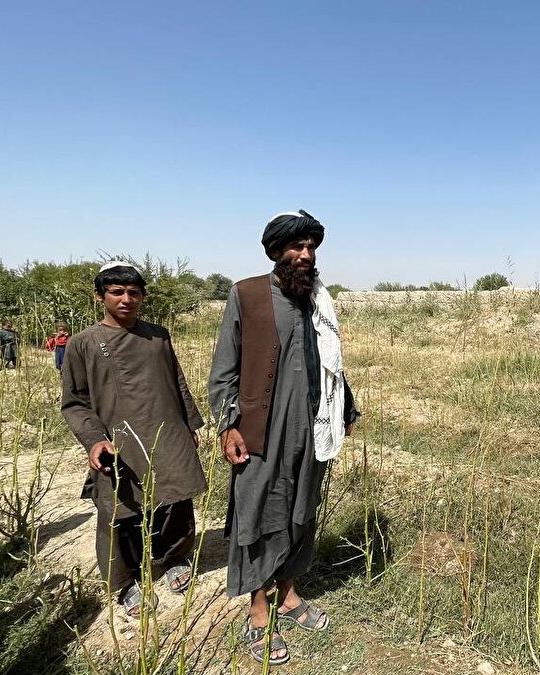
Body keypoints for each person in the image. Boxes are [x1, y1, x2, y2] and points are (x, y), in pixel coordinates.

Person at [208, 210, 360, 667]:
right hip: (261, 430)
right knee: (258, 511)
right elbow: (224, 371)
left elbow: (331, 362)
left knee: (301, 511)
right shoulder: (247, 295)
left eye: (311, 246)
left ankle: (289, 595)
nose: (306, 254)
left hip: (312, 426)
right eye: (296, 246)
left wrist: (345, 407)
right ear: (276, 251)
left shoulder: (318, 299)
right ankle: (258, 609)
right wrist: (227, 424)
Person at [60, 262, 207, 619]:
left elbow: (178, 381)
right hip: (117, 438)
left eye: (133, 292)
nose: (126, 299)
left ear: (142, 296)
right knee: (119, 509)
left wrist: (190, 424)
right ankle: (125, 583)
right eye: (116, 292)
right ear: (100, 296)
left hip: (167, 429)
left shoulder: (158, 335)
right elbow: (74, 401)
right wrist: (95, 440)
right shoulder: (82, 344)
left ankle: (174, 557)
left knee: (175, 497)